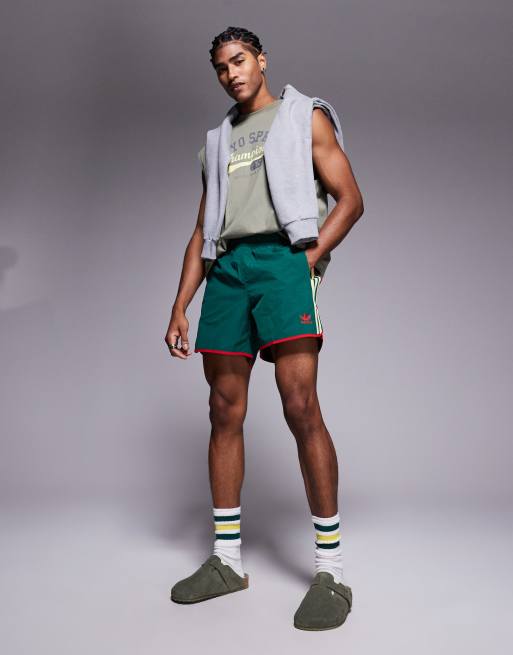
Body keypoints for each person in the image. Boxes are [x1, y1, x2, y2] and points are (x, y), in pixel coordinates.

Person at [165, 26, 364, 631]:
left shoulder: (305, 117)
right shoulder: (216, 141)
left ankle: (331, 571)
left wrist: (306, 261)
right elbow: (203, 229)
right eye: (221, 67)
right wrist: (180, 304)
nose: (231, 73)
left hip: (282, 261)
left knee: (301, 406)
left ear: (261, 60)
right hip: (228, 271)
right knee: (223, 409)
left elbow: (350, 199)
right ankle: (227, 561)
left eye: (239, 60)